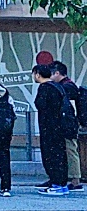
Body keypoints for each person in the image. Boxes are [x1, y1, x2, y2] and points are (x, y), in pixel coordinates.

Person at [33, 63, 70, 196]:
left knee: (50, 155)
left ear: (37, 74)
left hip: (49, 127)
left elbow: (40, 105)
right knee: (60, 154)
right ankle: (61, 183)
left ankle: (56, 184)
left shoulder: (44, 88)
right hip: (59, 126)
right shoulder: (58, 87)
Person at [52, 62, 84, 191]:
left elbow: (70, 108)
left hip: (69, 124)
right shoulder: (67, 85)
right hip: (69, 124)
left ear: (57, 73)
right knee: (69, 150)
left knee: (71, 150)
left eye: (52, 74)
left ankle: (76, 180)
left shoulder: (67, 87)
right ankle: (71, 178)